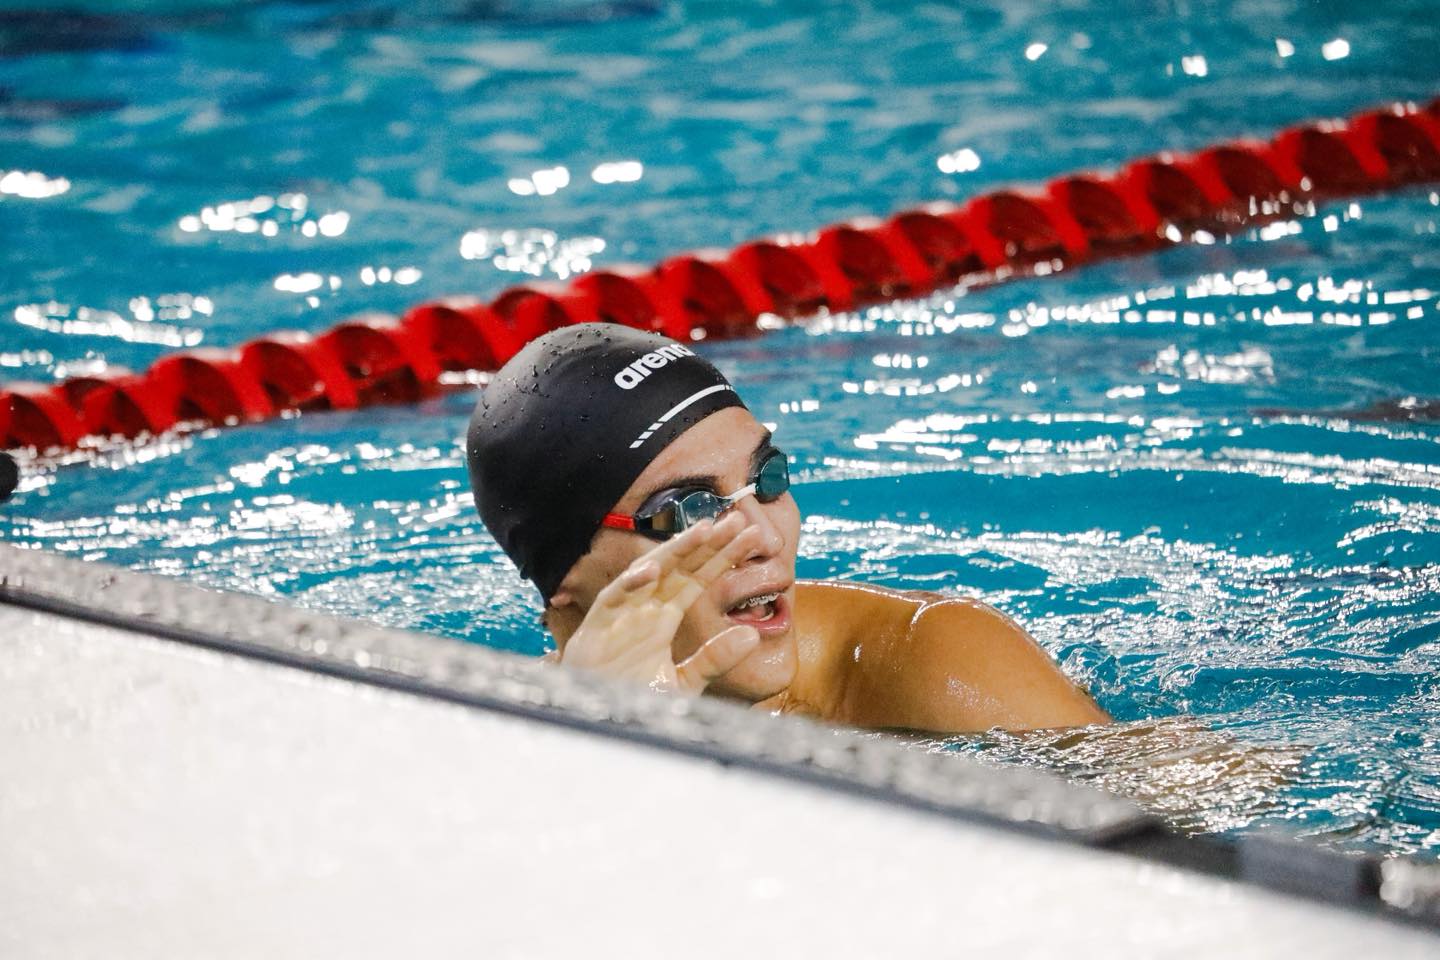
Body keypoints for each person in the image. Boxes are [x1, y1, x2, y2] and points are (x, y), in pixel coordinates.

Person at [467, 323, 1110, 733]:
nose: (764, 538)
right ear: (565, 584)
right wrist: (611, 745)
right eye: (689, 511)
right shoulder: (507, 746)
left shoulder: (932, 660)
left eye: (768, 479)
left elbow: (1186, 823)